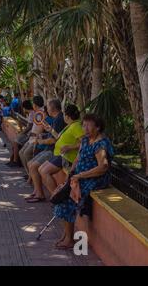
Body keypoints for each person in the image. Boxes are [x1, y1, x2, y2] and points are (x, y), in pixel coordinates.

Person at [53, 114, 114, 249]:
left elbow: (103, 167)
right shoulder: (86, 140)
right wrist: (71, 173)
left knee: (67, 201)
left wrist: (81, 176)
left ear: (97, 127)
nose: (84, 128)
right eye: (83, 125)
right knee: (62, 195)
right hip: (80, 176)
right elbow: (78, 158)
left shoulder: (100, 143)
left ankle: (69, 239)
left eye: (88, 125)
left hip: (95, 179)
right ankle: (67, 233)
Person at [38, 105, 84, 196]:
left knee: (44, 171)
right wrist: (51, 130)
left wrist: (70, 147)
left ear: (67, 116)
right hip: (60, 154)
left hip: (66, 157)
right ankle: (56, 195)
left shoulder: (76, 126)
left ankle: (56, 196)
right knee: (40, 169)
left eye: (64, 115)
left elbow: (84, 143)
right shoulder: (70, 125)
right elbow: (59, 138)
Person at [26, 99, 66, 203]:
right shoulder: (56, 118)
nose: (46, 109)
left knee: (34, 166)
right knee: (30, 164)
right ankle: (37, 191)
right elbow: (53, 134)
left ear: (52, 108)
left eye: (47, 107)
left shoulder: (59, 119)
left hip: (52, 150)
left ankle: (41, 194)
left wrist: (40, 141)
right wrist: (43, 135)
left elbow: (54, 139)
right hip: (49, 149)